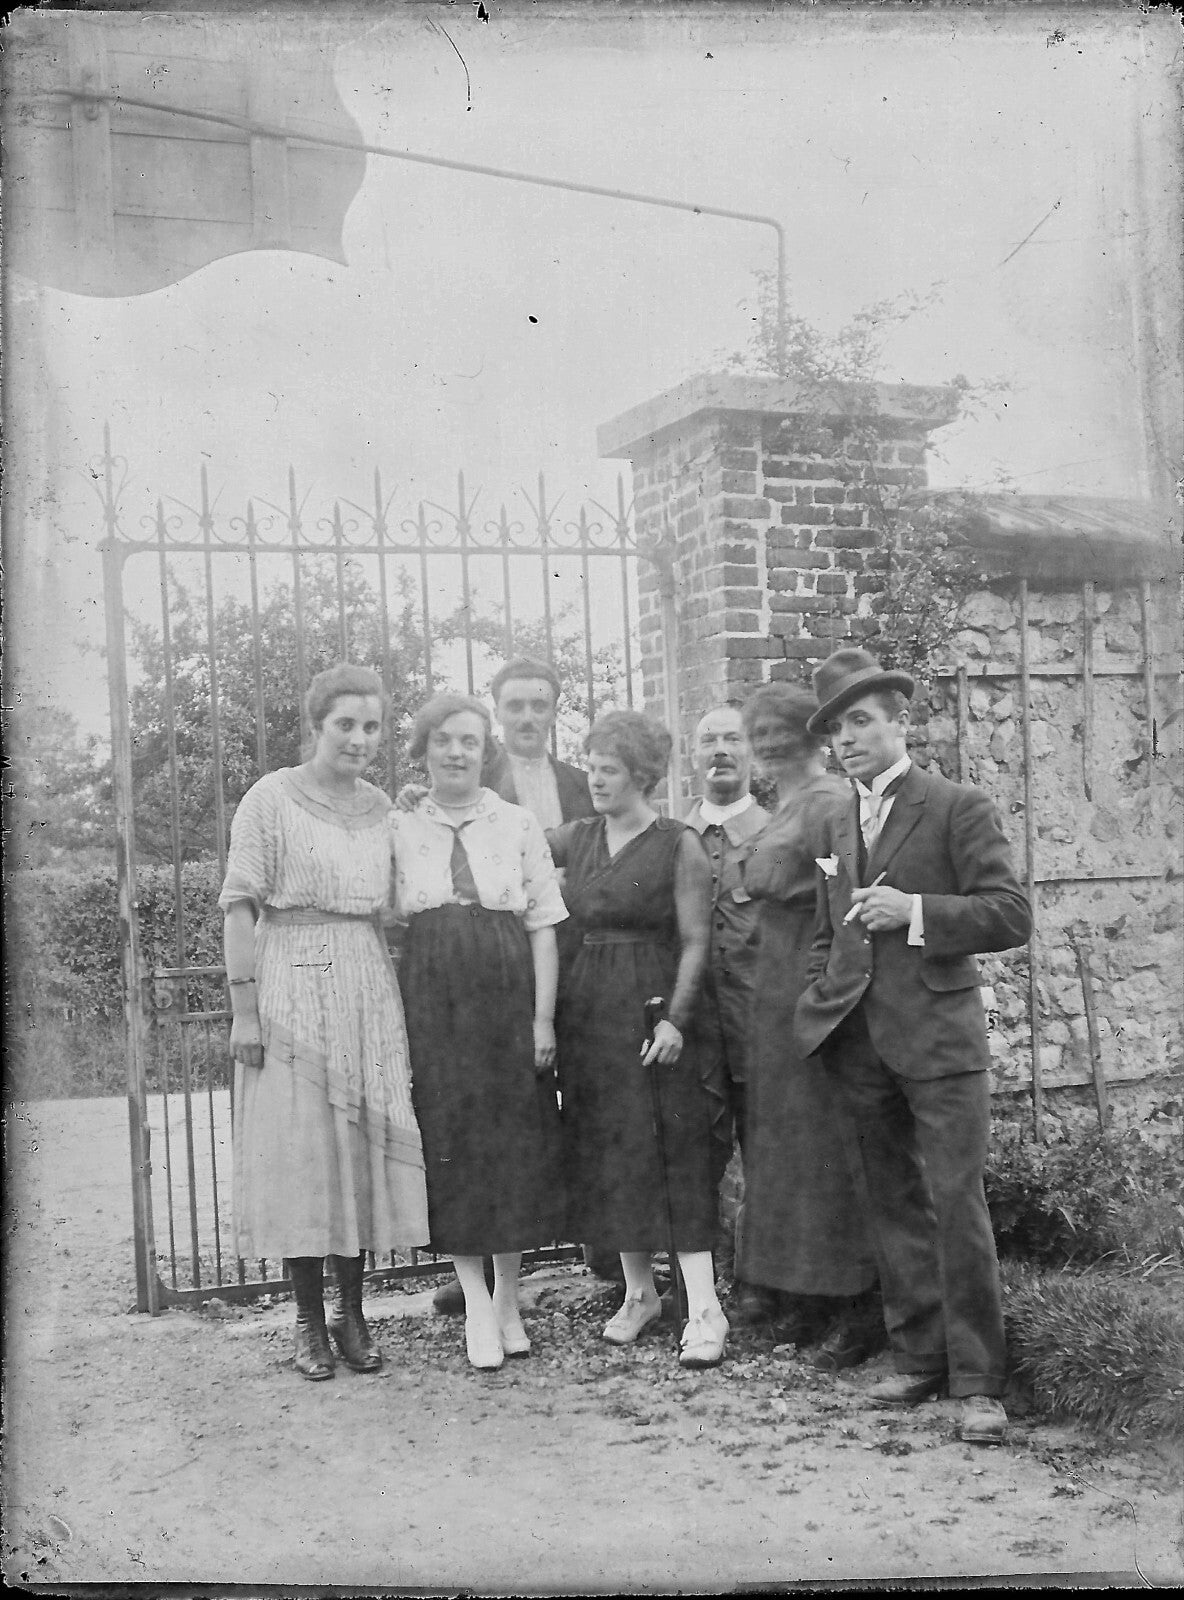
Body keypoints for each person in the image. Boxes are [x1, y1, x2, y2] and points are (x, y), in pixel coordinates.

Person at [795, 648, 1032, 1445]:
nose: (848, 739)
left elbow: (1009, 914)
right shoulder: (832, 817)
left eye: (862, 720)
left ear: (902, 722)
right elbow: (826, 927)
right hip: (859, 1038)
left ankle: (978, 1381)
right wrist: (820, 991)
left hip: (939, 1035)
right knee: (889, 1199)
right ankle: (919, 1354)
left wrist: (917, 912)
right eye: (836, 728)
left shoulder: (958, 805)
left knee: (956, 1202)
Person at [221, 664, 429, 1382]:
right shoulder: (270, 798)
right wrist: (245, 1012)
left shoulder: (381, 808)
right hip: (290, 982)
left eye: (372, 726)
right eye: (346, 724)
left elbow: (404, 900)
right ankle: (307, 1320)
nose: (360, 738)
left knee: (357, 1150)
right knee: (306, 1153)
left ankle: (352, 1312)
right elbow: (240, 906)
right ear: (317, 726)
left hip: (366, 983)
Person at [548, 709, 732, 1369]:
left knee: (672, 1151)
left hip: (653, 1010)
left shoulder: (676, 842)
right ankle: (638, 1294)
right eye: (591, 767)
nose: (596, 780)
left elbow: (695, 941)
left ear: (642, 774)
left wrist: (677, 1018)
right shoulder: (576, 837)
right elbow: (508, 846)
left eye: (610, 770)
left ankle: (705, 1308)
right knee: (610, 1153)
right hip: (589, 1012)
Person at [390, 692, 568, 1370]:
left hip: (507, 996)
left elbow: (545, 925)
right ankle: (473, 1304)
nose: (457, 752)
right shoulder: (401, 827)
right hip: (437, 1001)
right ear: (425, 749)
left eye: (469, 740)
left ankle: (508, 1300)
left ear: (484, 749)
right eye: (444, 740)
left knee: (513, 1147)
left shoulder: (516, 822)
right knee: (456, 1146)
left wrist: (542, 1017)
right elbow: (388, 926)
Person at [732, 685, 882, 1370]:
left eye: (779, 729)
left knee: (822, 1144)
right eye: (756, 729)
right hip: (769, 982)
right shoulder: (780, 806)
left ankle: (854, 1302)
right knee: (785, 1146)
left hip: (804, 977)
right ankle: (800, 1291)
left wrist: (827, 989)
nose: (765, 740)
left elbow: (839, 889)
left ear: (810, 735)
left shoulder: (825, 802)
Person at [683, 705, 769, 1156]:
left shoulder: (779, 837)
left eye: (733, 739)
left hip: (761, 1037)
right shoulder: (672, 838)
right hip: (690, 1041)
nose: (720, 751)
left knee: (772, 1173)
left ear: (752, 751)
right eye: (708, 741)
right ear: (692, 756)